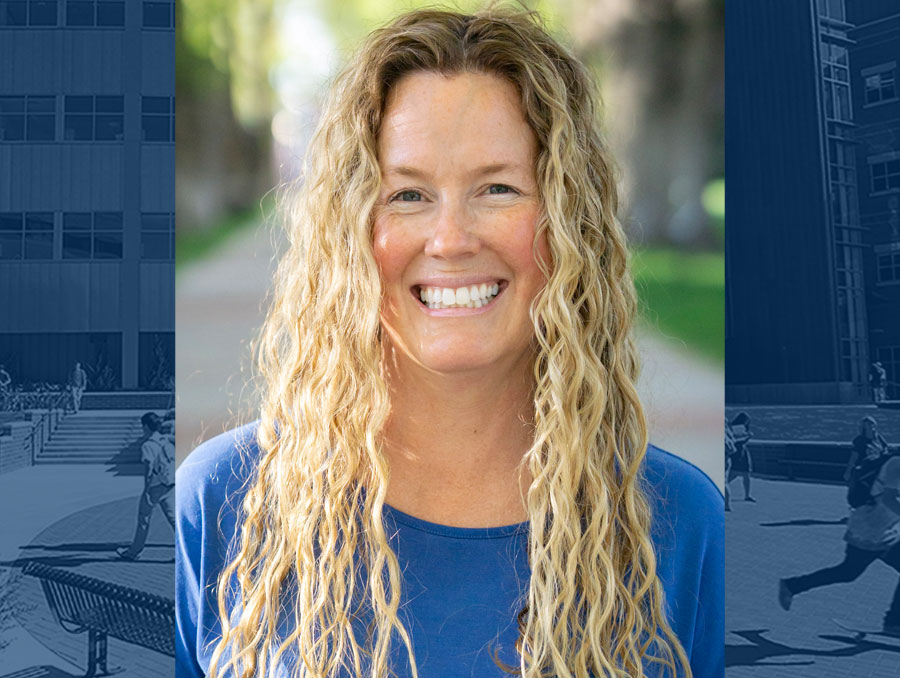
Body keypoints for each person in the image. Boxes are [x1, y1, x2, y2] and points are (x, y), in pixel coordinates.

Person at [176, 8, 723, 678]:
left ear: (567, 223)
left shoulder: (680, 527)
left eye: (498, 189)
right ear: (349, 230)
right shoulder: (218, 507)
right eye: (407, 195)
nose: (451, 238)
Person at [779, 416, 900, 636]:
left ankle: (893, 622)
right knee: (847, 573)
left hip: (888, 532)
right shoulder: (897, 464)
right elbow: (889, 499)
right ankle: (791, 585)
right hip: (868, 529)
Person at [117, 411, 175, 561]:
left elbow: (148, 470)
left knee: (143, 519)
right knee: (173, 520)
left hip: (154, 487)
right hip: (169, 485)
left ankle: (134, 551)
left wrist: (146, 491)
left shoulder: (148, 446)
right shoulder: (165, 441)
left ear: (146, 427)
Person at [725, 411, 755, 503]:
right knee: (734, 472)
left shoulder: (737, 427)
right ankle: (722, 488)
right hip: (737, 450)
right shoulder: (731, 427)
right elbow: (734, 440)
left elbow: (742, 441)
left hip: (742, 450)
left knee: (745, 473)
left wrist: (747, 437)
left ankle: (747, 494)